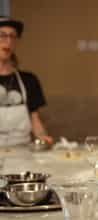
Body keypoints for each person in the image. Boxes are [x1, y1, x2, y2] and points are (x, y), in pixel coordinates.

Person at [0, 17, 53, 146]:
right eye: (2, 35)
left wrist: (43, 138)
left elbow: (35, 120)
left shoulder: (29, 79)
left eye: (13, 36)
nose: (8, 41)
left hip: (23, 153)